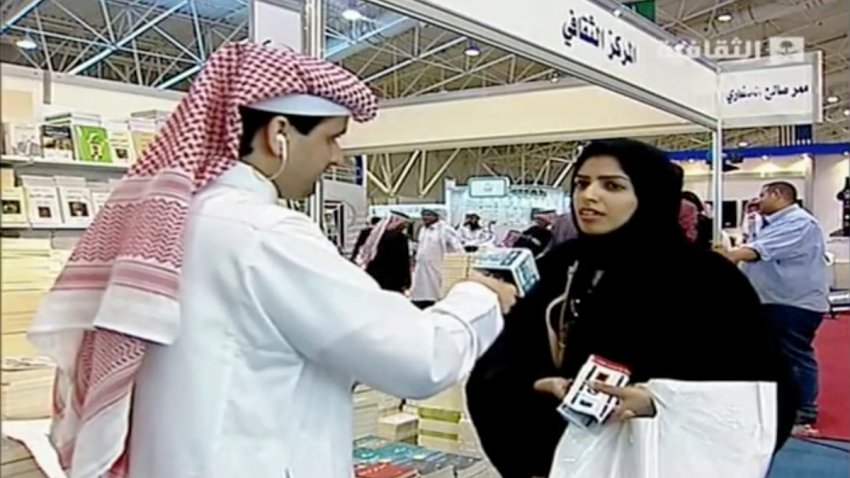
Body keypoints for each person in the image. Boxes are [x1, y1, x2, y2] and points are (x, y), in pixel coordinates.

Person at [27, 42, 518, 478]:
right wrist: (478, 296)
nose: (337, 158)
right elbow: (419, 360)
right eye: (331, 137)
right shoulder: (264, 236)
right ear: (278, 132)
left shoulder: (176, 225)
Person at [465, 139, 795, 478]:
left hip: (655, 460)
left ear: (650, 194)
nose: (589, 196)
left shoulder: (705, 278)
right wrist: (534, 388)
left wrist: (658, 402)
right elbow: (501, 360)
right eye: (581, 183)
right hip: (554, 456)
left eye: (612, 186)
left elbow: (759, 394)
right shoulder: (560, 265)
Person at [719, 181, 829, 437]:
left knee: (794, 355)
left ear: (778, 194)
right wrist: (750, 221)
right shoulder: (769, 223)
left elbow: (756, 251)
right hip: (771, 299)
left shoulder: (799, 223)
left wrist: (725, 256)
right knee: (773, 355)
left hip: (793, 302)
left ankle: (803, 412)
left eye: (762, 195)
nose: (758, 200)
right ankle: (778, 405)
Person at [410, 209, 465, 309]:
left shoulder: (445, 229)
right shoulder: (422, 229)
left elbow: (458, 249)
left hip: (437, 267)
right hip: (421, 268)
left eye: (428, 215)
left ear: (437, 216)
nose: (425, 217)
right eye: (423, 215)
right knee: (420, 292)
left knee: (436, 292)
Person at [359, 212, 412, 294]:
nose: (404, 227)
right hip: (392, 279)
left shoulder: (372, 234)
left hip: (373, 276)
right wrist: (406, 281)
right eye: (403, 224)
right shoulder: (400, 238)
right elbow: (403, 261)